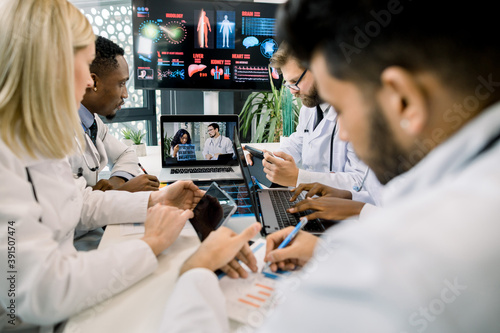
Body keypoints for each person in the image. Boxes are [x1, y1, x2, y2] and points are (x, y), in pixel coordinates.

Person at [158, 0, 500, 331]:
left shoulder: (387, 264)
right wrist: (324, 248)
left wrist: (194, 272)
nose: (345, 133)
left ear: (404, 100)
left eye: (342, 106)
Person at [0, 1, 203, 330]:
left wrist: (155, 200)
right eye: (83, 64)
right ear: (53, 66)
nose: (86, 83)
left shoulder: (36, 137)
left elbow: (80, 202)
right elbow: (40, 291)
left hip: (68, 295)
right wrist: (150, 243)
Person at [246, 42, 380, 206]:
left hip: (345, 213)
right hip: (314, 203)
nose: (292, 90)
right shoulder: (309, 107)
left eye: (295, 81)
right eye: (288, 84)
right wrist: (269, 159)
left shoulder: (357, 109)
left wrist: (298, 177)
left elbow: (359, 182)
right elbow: (300, 140)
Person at [68, 36, 159, 192]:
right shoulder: (57, 130)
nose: (125, 94)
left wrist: (117, 182)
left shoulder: (92, 122)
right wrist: (123, 190)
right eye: (121, 84)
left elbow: (125, 153)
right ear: (94, 82)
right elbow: (72, 206)